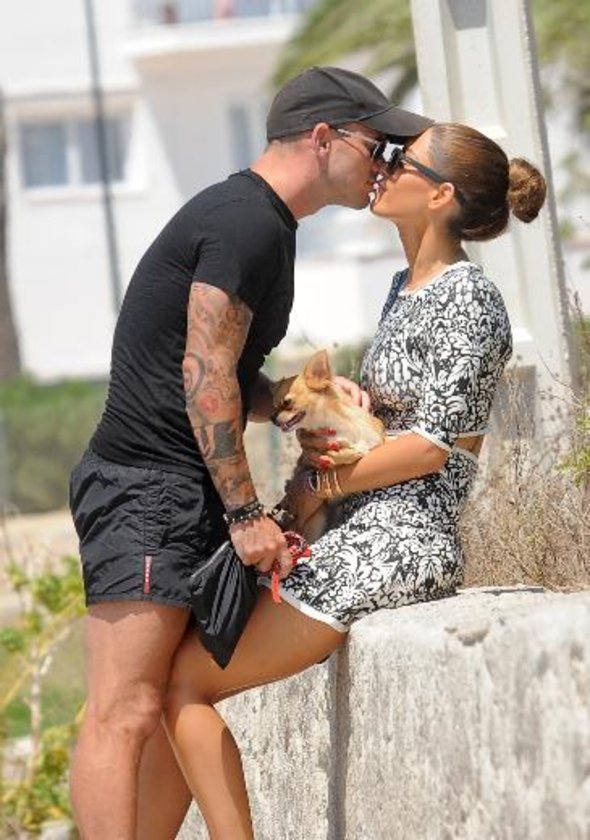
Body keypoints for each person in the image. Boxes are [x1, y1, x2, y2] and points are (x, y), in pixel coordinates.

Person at [67, 65, 433, 839]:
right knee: (122, 710)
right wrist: (244, 514)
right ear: (324, 137)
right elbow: (201, 369)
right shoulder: (245, 223)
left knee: (164, 696)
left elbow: (228, 374)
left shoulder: (263, 224)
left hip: (177, 488)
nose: (385, 163)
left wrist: (301, 400)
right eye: (376, 144)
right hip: (147, 490)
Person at [156, 122, 547, 838]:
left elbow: (433, 450)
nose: (384, 168)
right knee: (172, 672)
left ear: (441, 196)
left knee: (186, 681)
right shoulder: (405, 287)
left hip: (401, 540)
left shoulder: (468, 298)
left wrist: (321, 489)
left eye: (403, 161)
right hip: (355, 530)